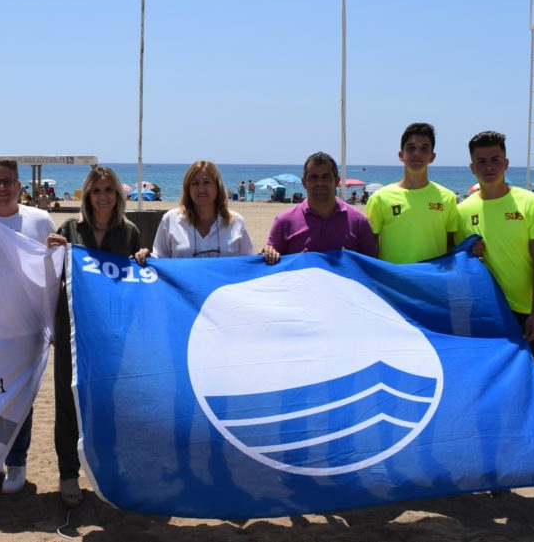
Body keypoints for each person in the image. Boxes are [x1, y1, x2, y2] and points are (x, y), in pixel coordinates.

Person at [456, 130, 534, 506]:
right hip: (488, 319)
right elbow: (457, 265)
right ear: (472, 166)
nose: (489, 166)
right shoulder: (463, 210)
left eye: (495, 159)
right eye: (481, 161)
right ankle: (499, 473)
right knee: (496, 400)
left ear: (506, 163)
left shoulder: (531, 204)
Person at [46, 166, 141, 507]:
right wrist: (53, 251)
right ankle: (68, 473)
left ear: (118, 195)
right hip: (72, 330)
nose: (103, 196)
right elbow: (49, 276)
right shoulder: (70, 229)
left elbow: (137, 281)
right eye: (96, 190)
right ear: (87, 195)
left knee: (109, 401)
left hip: (111, 332)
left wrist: (144, 259)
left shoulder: (129, 232)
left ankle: (109, 468)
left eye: (109, 190)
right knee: (67, 401)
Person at [0, 158, 58, 494]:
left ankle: (16, 463)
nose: (2, 188)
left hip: (25, 330)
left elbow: (56, 268)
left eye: (8, 182)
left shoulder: (40, 220)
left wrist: (52, 322)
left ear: (20, 186)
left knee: (21, 401)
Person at [135, 160, 278, 264]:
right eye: (195, 183)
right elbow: (159, 261)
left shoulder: (236, 222)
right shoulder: (170, 220)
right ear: (188, 189)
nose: (201, 188)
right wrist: (146, 255)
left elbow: (249, 263)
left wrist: (265, 255)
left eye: (207, 182)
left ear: (217, 187)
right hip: (184, 302)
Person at [366, 122, 460, 264]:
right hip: (393, 281)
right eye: (411, 148)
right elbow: (370, 247)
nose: (417, 153)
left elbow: (450, 246)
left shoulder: (447, 198)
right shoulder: (380, 198)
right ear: (401, 155)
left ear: (432, 157)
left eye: (424, 148)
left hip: (432, 281)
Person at [263, 152, 377, 257]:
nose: (320, 183)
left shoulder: (359, 222)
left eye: (326, 177)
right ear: (304, 182)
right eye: (313, 177)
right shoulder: (284, 221)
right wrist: (268, 254)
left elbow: (370, 268)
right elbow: (272, 267)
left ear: (337, 181)